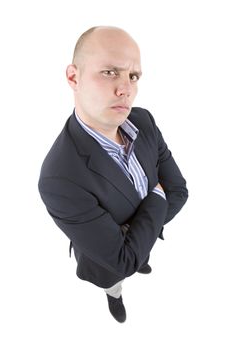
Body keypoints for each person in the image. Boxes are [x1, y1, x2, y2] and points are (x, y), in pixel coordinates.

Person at [38, 26, 188, 323]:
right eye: (109, 72)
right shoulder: (59, 178)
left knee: (139, 255)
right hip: (107, 266)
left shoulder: (143, 120)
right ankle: (114, 297)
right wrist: (155, 197)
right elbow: (122, 260)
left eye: (133, 76)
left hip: (136, 241)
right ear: (73, 77)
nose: (125, 89)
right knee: (116, 278)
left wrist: (135, 240)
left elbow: (180, 191)